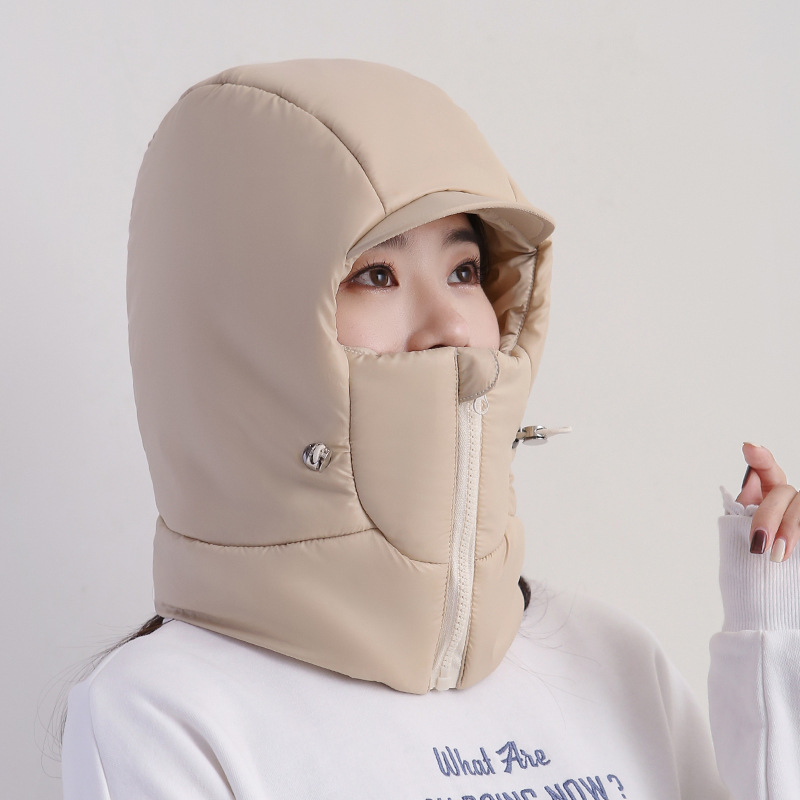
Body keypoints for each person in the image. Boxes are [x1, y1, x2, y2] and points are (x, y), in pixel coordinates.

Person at [61, 59, 800, 799]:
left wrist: (775, 643)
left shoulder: (613, 660)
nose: (453, 325)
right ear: (246, 332)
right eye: (375, 274)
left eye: (465, 270)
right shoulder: (166, 713)